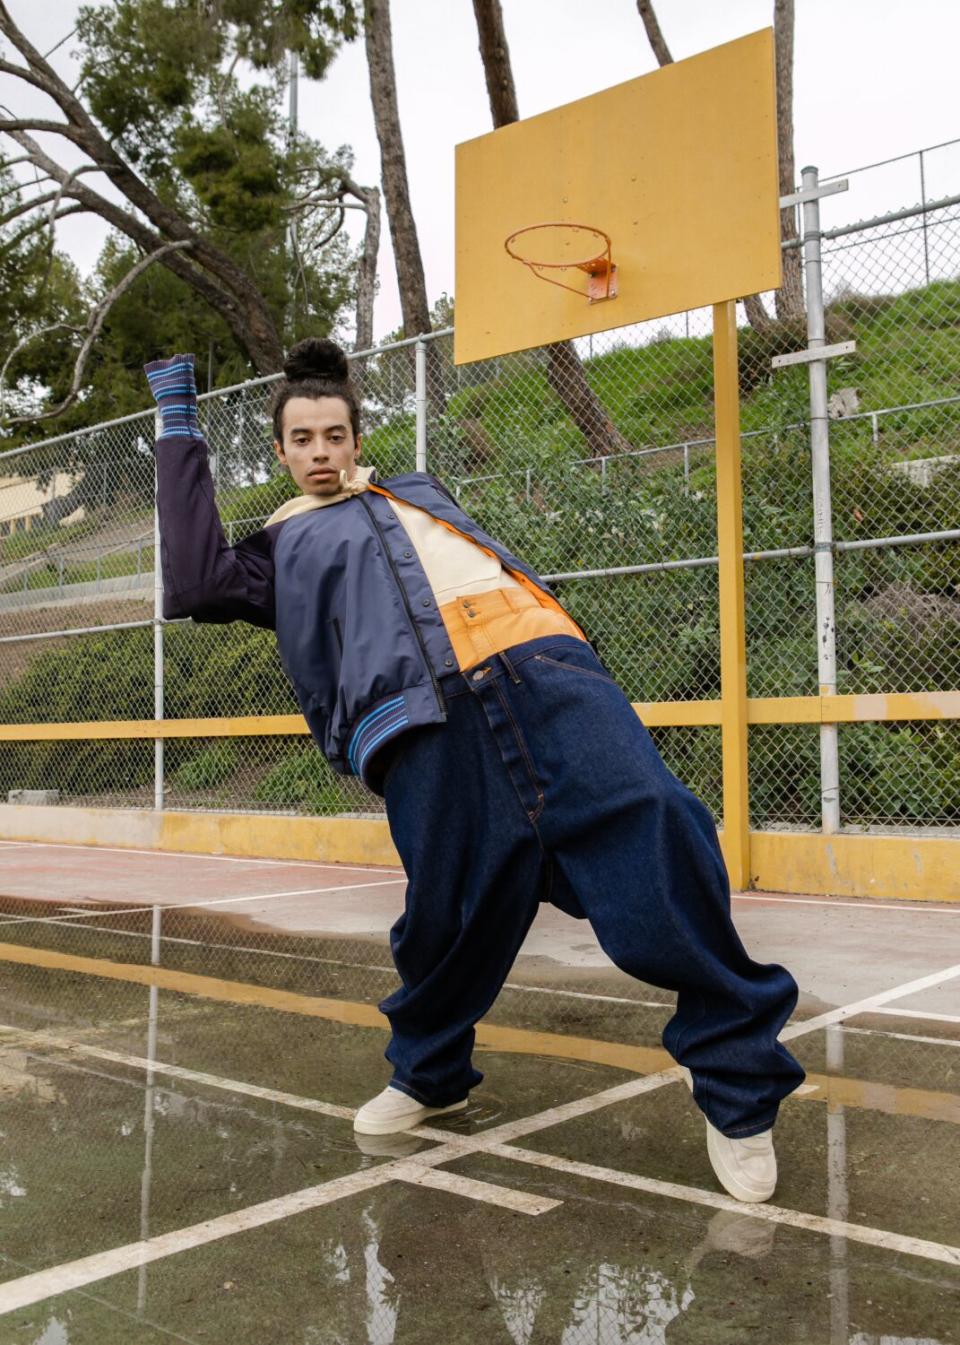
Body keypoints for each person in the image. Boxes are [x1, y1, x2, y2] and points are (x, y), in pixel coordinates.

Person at [145, 337, 805, 1204]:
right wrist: (177, 421)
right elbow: (194, 581)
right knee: (446, 916)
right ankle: (428, 1073)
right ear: (280, 450)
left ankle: (739, 1088)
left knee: (658, 827)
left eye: (333, 435)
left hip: (546, 673)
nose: (319, 453)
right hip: (423, 718)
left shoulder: (417, 491)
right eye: (301, 439)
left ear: (354, 437)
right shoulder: (280, 551)